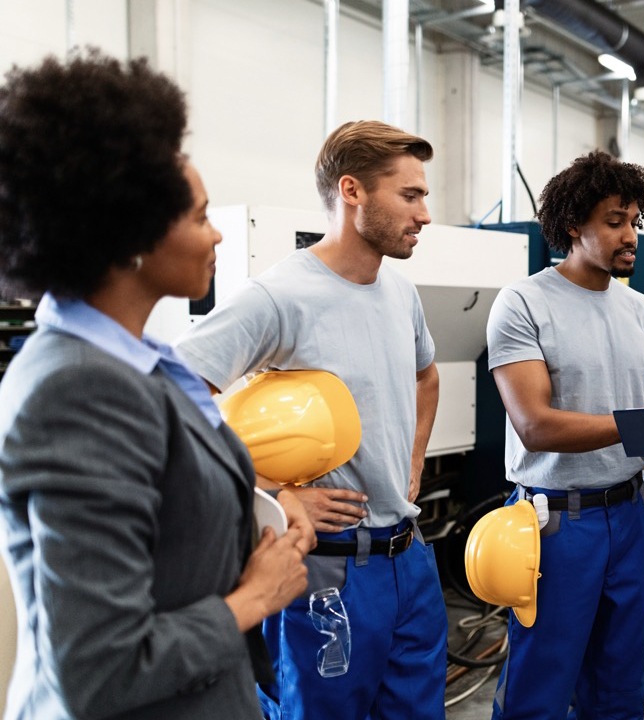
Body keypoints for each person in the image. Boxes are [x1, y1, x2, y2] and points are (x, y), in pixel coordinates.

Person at [0, 51, 312, 720]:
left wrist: (266, 516)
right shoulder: (79, 392)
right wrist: (256, 596)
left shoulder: (136, 365)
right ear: (131, 235)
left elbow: (168, 518)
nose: (218, 232)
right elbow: (99, 669)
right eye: (200, 217)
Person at [175, 120, 448, 720]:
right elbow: (172, 401)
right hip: (326, 567)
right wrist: (270, 493)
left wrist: (413, 459)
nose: (425, 214)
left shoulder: (400, 293)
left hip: (409, 559)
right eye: (410, 195)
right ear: (352, 192)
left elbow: (427, 377)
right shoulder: (278, 297)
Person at [485, 150, 644, 720]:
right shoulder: (523, 303)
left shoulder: (641, 310)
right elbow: (535, 425)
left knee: (619, 685)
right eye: (614, 221)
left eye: (634, 220)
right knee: (541, 685)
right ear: (574, 225)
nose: (630, 235)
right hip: (556, 523)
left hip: (631, 515)